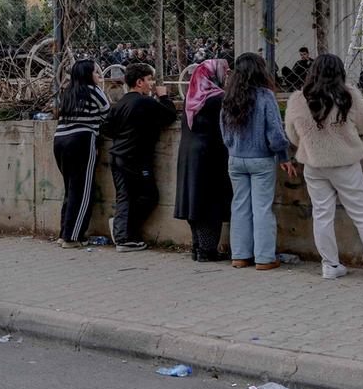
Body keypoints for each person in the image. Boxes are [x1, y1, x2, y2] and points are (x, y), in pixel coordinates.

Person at [285, 54, 363, 281]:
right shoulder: (348, 94)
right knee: (362, 213)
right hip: (344, 163)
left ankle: (330, 265)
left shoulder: (298, 99)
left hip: (313, 164)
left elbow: (293, 136)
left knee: (322, 214)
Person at [220, 53, 295, 270]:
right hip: (261, 159)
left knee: (239, 206)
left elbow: (224, 131)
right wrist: (283, 156)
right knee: (262, 209)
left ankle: (240, 256)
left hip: (235, 159)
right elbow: (275, 131)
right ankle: (264, 258)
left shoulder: (228, 97)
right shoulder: (265, 96)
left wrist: (233, 147)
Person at [104, 63, 177, 252]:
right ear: (139, 82)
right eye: (149, 79)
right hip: (134, 159)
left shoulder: (120, 103)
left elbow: (107, 129)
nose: (151, 83)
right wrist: (163, 96)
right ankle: (124, 236)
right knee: (147, 196)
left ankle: (123, 231)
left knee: (126, 196)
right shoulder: (144, 102)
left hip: (118, 156)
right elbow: (169, 115)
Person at [174, 58, 232, 262]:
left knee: (194, 201)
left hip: (189, 155)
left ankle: (198, 247)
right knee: (210, 202)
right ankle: (207, 250)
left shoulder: (192, 97)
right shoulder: (218, 98)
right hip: (210, 156)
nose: (226, 75)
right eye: (224, 72)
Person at [54, 60, 110, 248]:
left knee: (70, 188)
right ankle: (73, 237)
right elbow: (107, 115)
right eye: (96, 72)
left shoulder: (68, 93)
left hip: (60, 140)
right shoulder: (93, 91)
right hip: (82, 141)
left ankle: (65, 233)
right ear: (88, 75)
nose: (98, 76)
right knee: (83, 191)